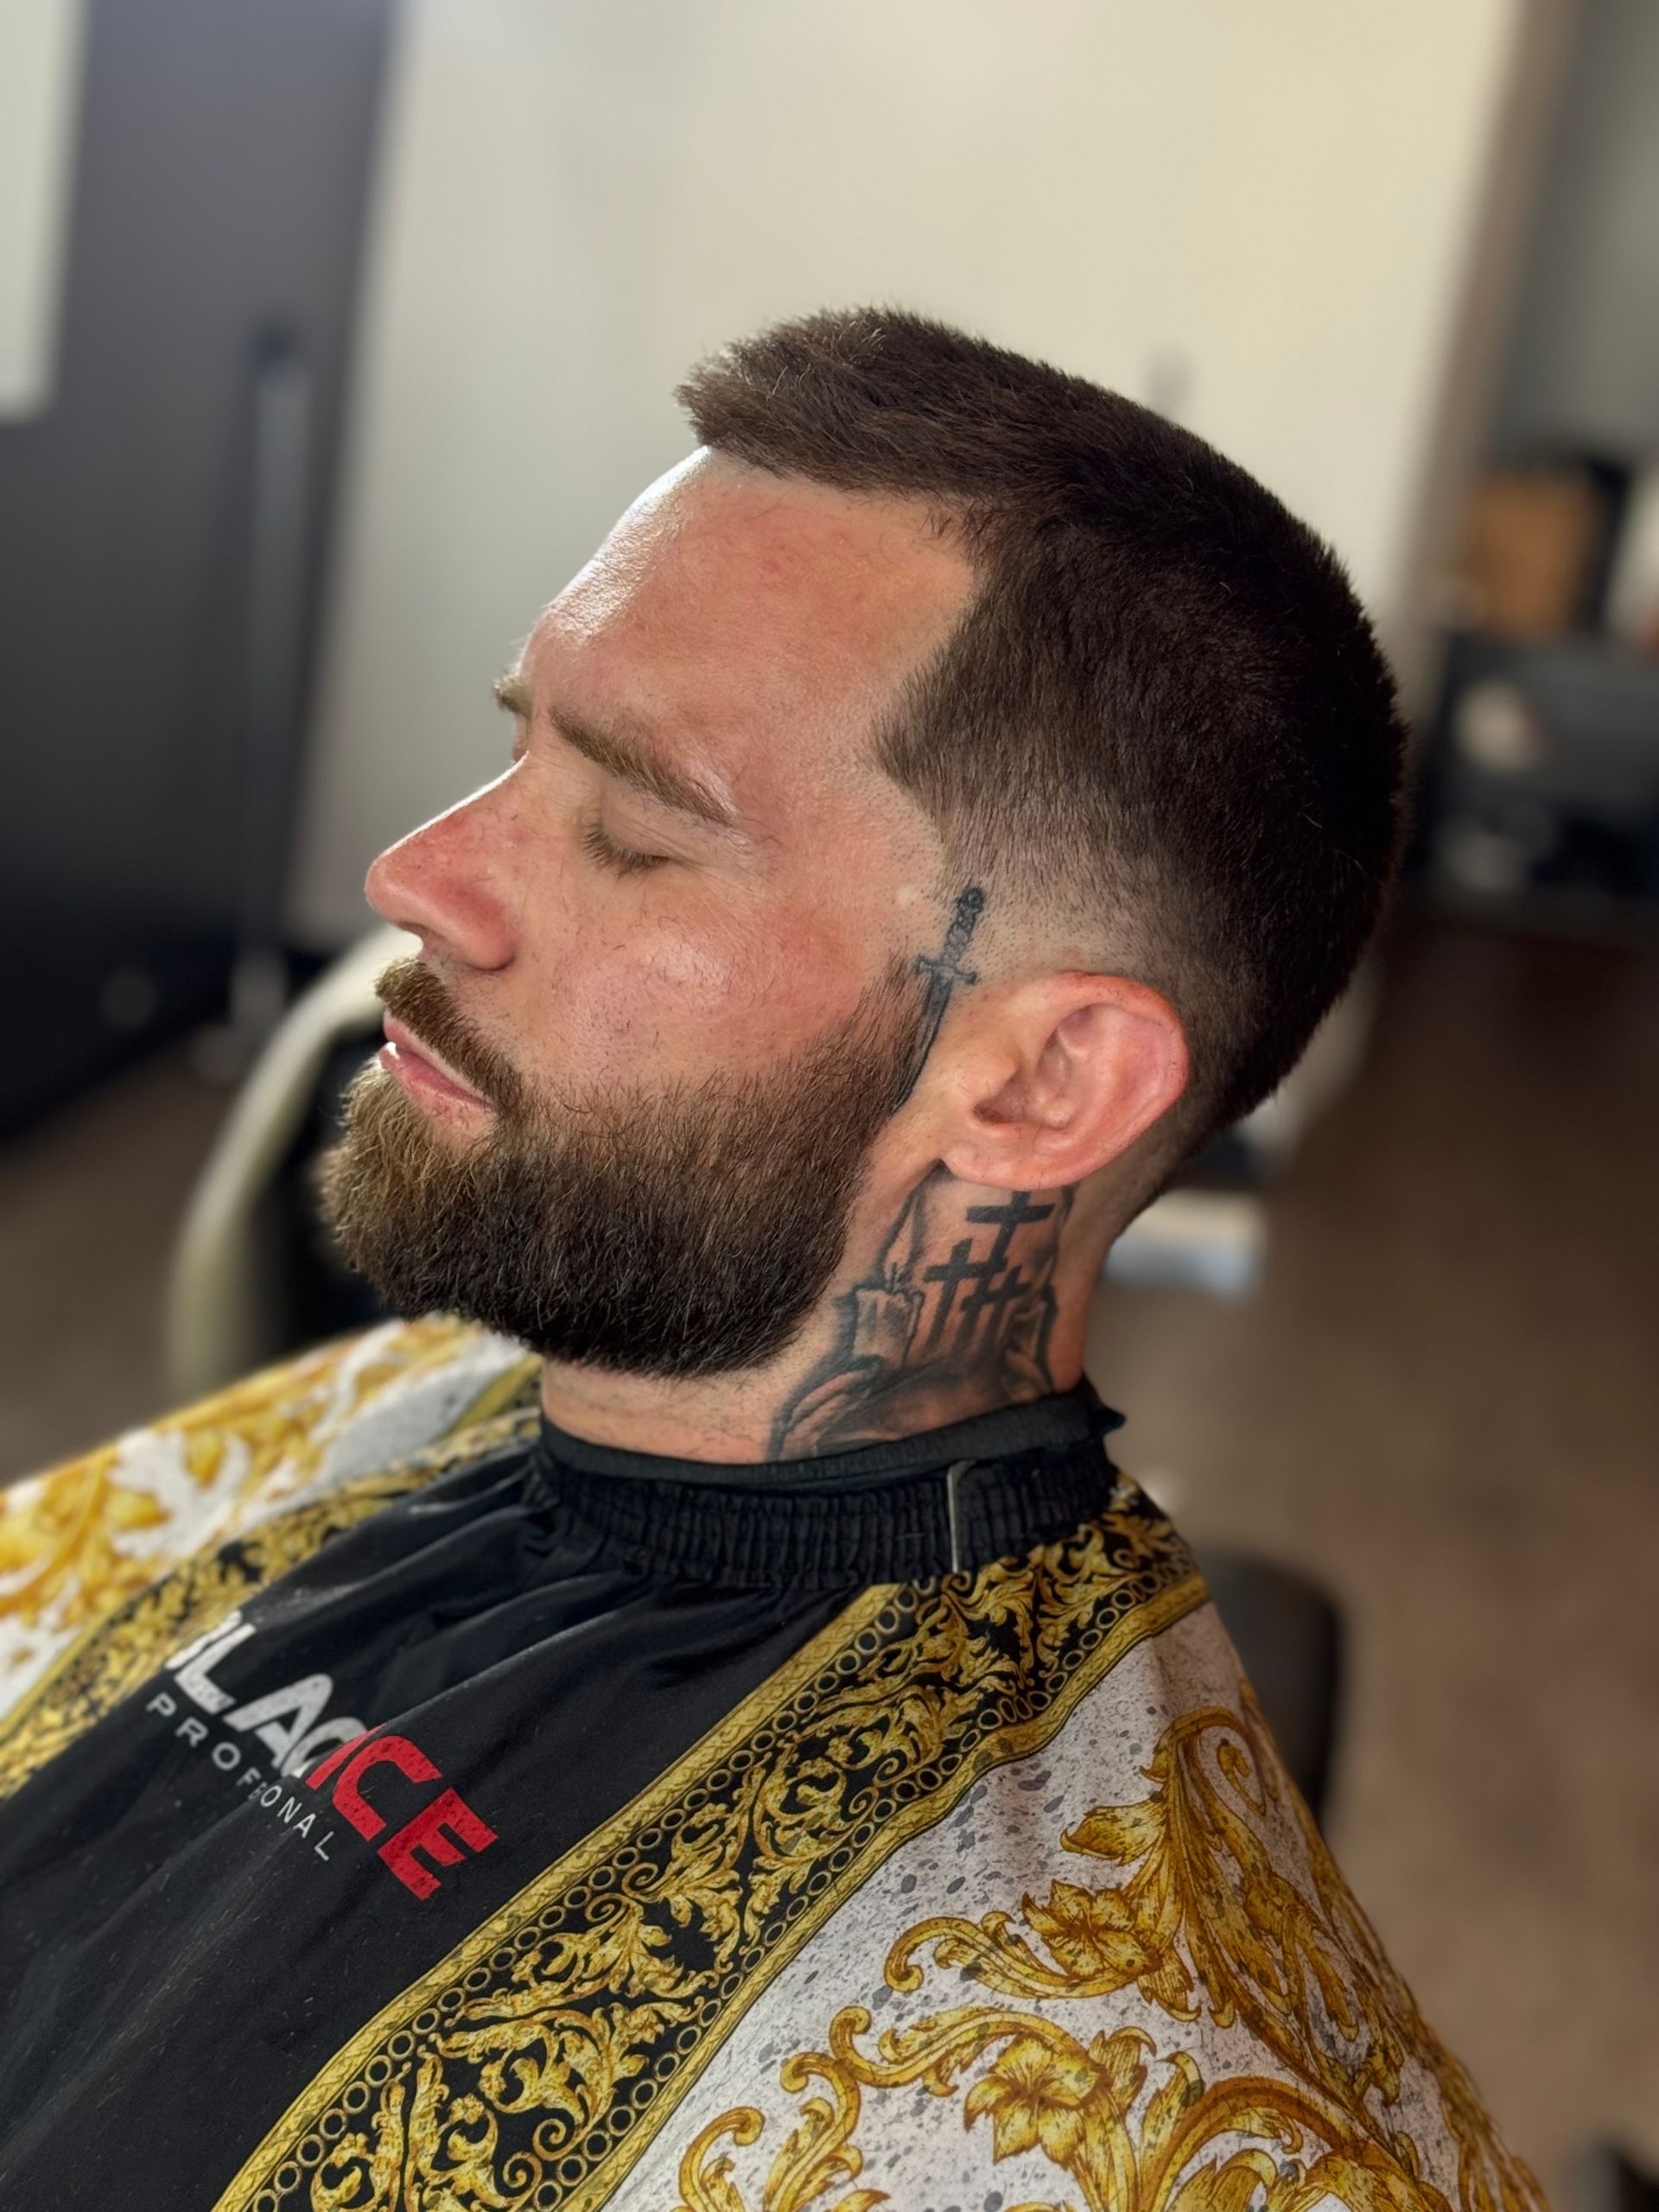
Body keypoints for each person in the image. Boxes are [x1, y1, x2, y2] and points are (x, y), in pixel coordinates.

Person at [0, 308, 1541, 2211]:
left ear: (1048, 1077)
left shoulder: (1117, 2121)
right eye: (516, 743)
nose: (417, 873)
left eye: (637, 831)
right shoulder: (461, 1375)